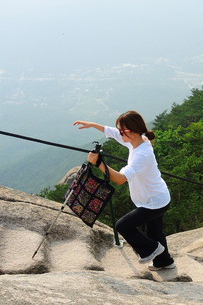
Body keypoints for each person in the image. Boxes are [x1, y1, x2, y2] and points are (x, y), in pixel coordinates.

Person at [73, 111, 175, 271]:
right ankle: (164, 262)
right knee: (155, 231)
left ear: (132, 131)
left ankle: (152, 250)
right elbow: (113, 133)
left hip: (154, 202)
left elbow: (120, 179)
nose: (119, 134)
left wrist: (99, 162)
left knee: (123, 226)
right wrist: (93, 125)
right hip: (157, 196)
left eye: (122, 131)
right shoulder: (138, 140)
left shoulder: (142, 154)